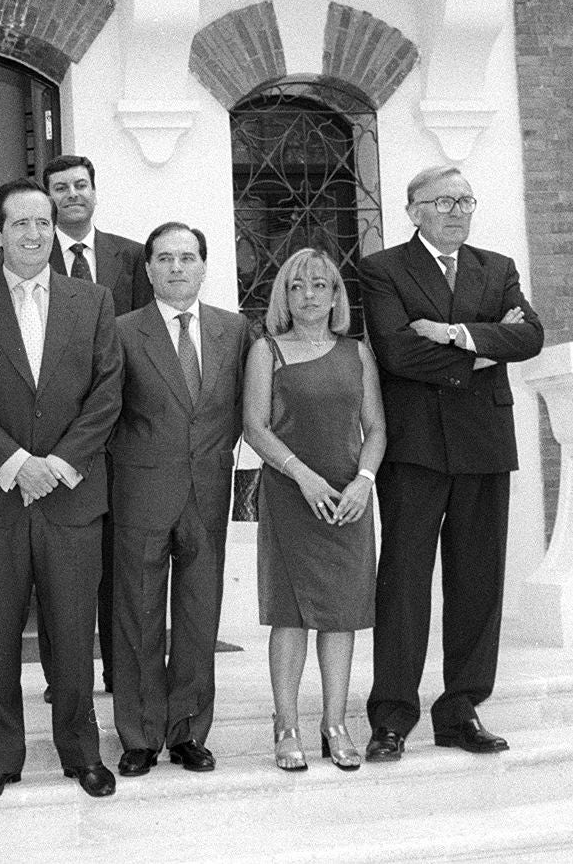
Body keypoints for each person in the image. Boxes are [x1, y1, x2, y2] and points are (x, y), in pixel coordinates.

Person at [0, 178, 123, 803]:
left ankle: (81, 753)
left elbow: (106, 394)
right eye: (20, 223)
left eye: (43, 221)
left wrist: (62, 463)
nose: (35, 233)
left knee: (73, 635)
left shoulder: (92, 301)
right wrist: (19, 462)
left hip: (72, 495)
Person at [358, 165, 543, 762]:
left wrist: (456, 334)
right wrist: (488, 346)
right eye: (443, 202)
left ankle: (461, 708)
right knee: (405, 582)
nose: (458, 211)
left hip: (485, 444)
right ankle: (392, 716)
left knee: (478, 582)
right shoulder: (383, 269)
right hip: (414, 449)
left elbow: (531, 337)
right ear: (413, 210)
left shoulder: (498, 267)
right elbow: (396, 351)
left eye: (465, 200)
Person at [108, 222, 248, 777]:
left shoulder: (233, 330)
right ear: (147, 269)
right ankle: (140, 736)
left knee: (198, 615)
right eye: (163, 258)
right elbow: (106, 411)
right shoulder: (121, 330)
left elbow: (243, 407)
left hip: (209, 490)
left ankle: (189, 730)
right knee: (137, 614)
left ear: (204, 265)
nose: (175, 268)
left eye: (186, 257)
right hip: (141, 489)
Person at [243, 248, 385, 772]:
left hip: (349, 502)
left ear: (335, 295)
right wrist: (303, 477)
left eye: (319, 286)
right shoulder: (267, 351)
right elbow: (254, 427)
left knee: (341, 616)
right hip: (292, 494)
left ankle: (336, 723)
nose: (308, 296)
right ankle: (286, 727)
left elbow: (377, 428)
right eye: (297, 286)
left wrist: (363, 483)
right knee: (290, 616)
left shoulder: (358, 353)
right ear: (284, 294)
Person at [41, 154, 152, 697]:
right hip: (59, 443)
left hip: (125, 439)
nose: (72, 196)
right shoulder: (34, 259)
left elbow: (149, 345)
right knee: (58, 569)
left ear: (94, 190)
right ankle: (61, 674)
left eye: (80, 185)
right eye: (60, 189)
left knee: (118, 563)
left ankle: (117, 668)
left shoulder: (133, 258)